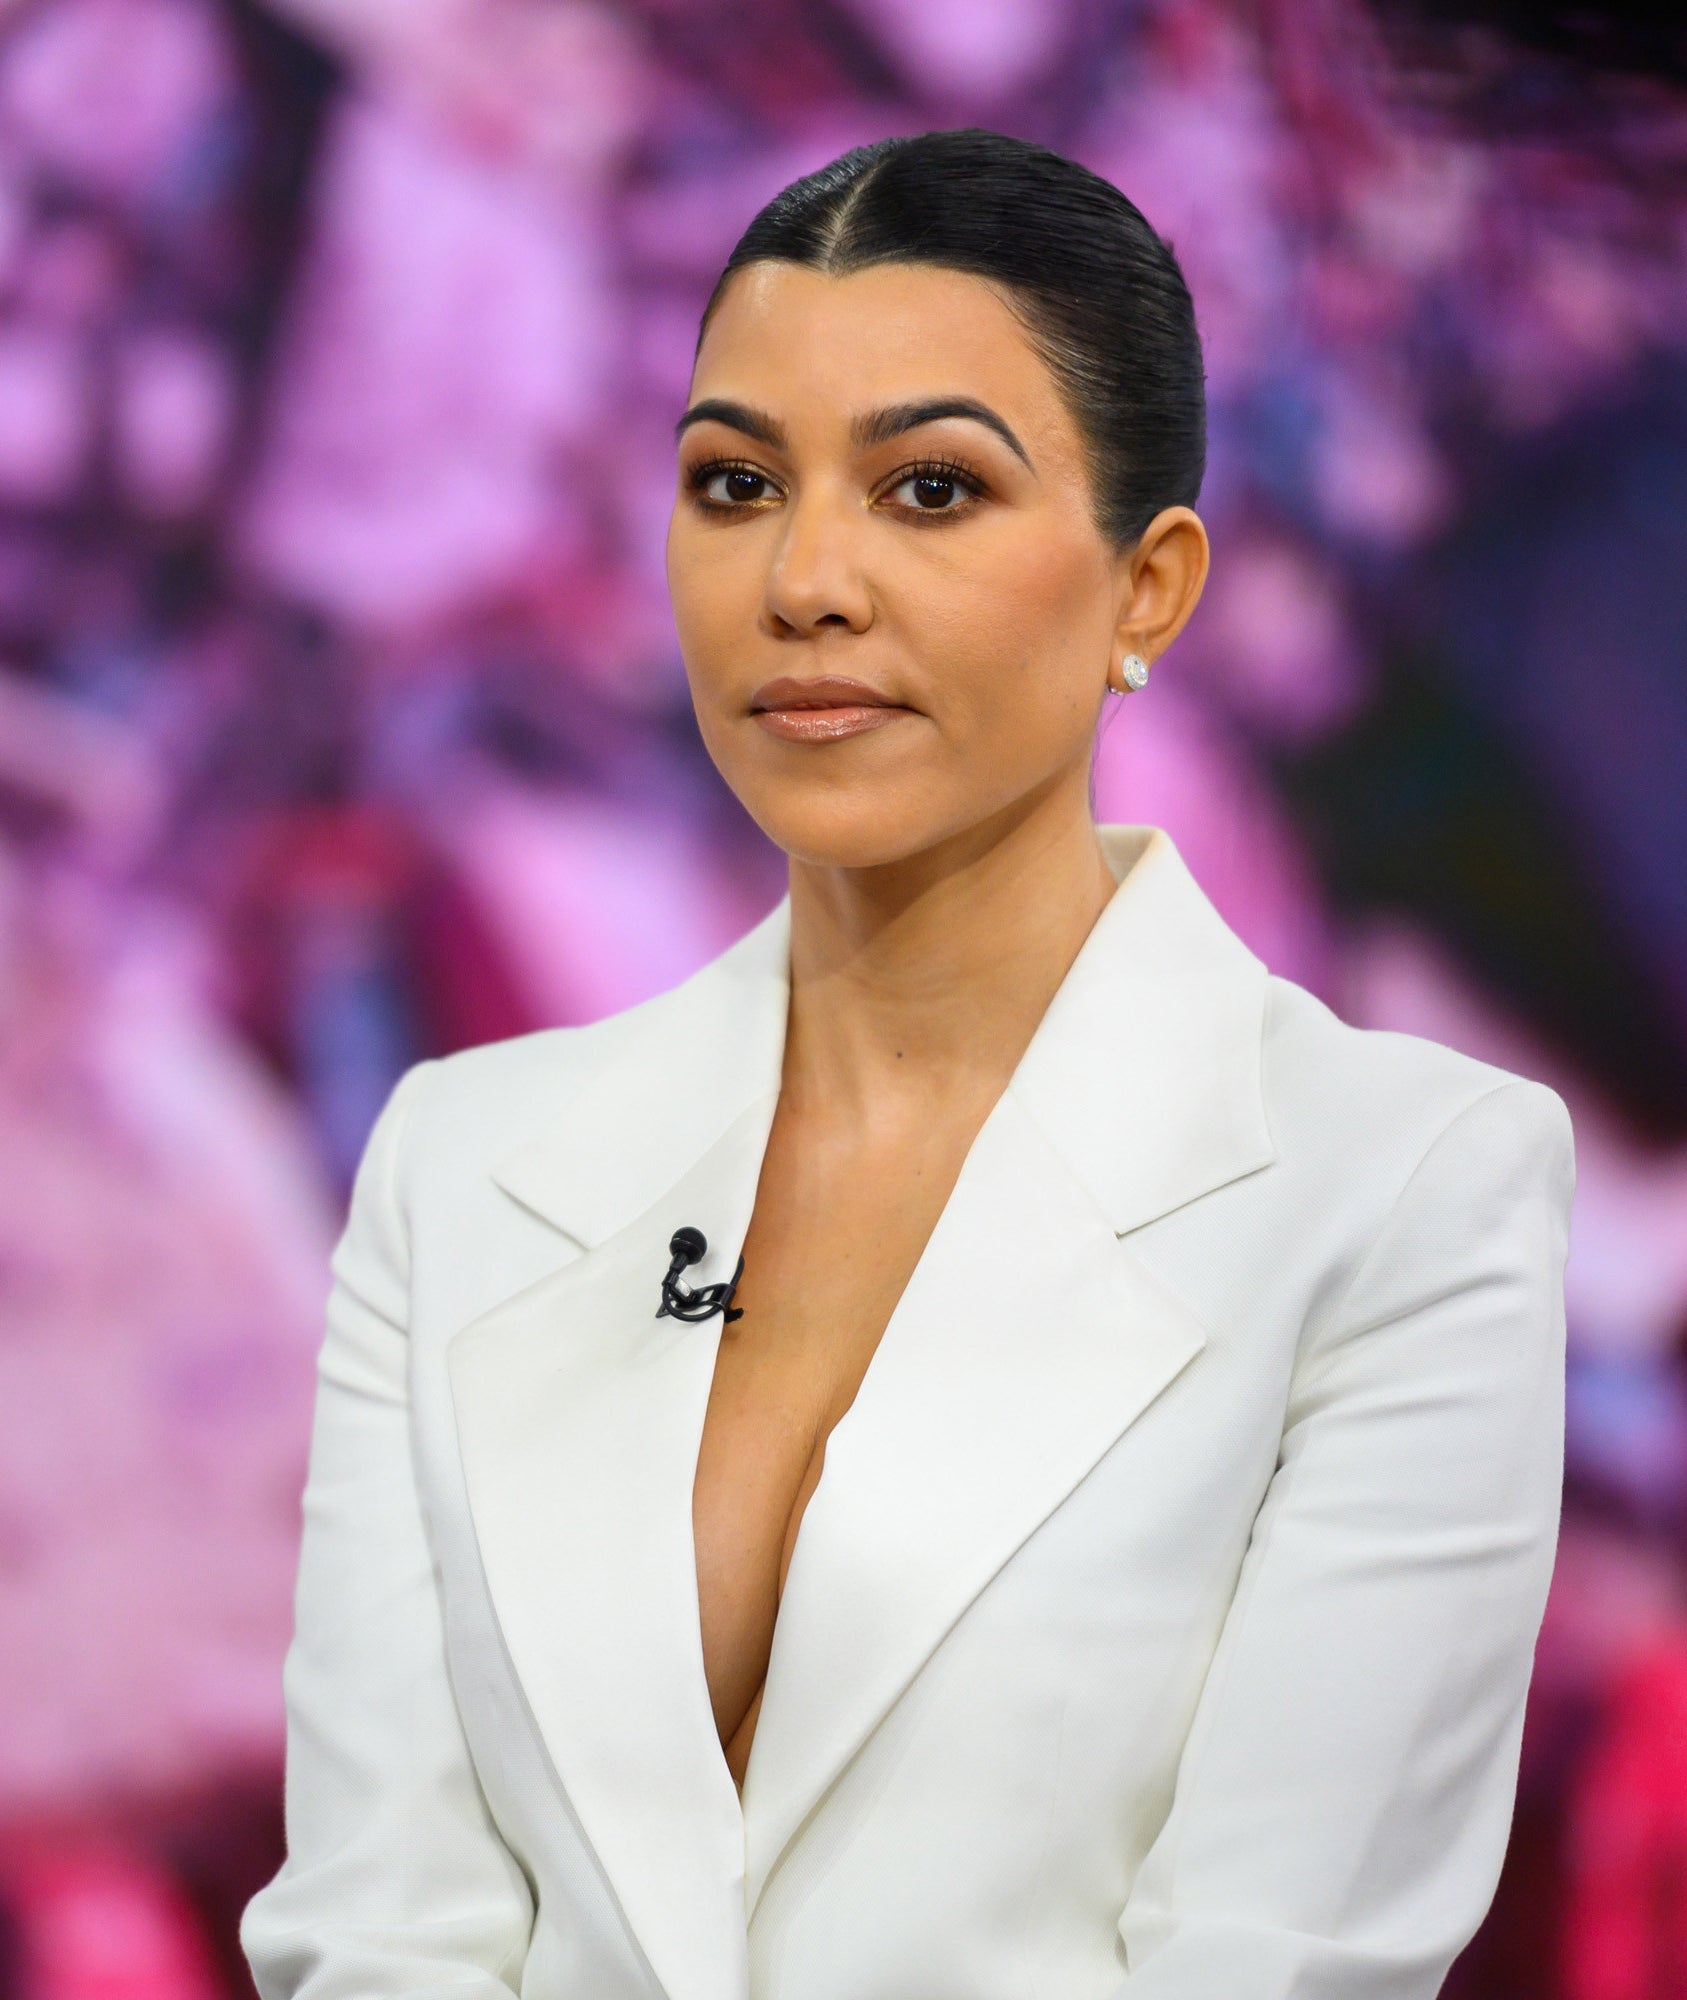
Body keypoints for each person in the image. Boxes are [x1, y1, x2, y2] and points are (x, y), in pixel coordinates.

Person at [240, 128, 1575, 2000]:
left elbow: (1282, 1959)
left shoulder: (1409, 1196)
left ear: (1147, 589)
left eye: (930, 489)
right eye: (735, 483)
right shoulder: (463, 1163)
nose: (806, 580)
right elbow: (372, 1926)